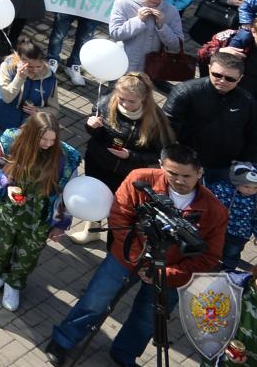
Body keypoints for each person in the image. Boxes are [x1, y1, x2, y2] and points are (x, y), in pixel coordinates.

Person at [43, 146, 228, 365]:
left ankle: (124, 354)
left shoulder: (215, 211)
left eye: (186, 175)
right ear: (161, 166)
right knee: (95, 300)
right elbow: (119, 218)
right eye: (172, 173)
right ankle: (63, 340)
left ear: (200, 172)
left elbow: (208, 258)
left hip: (168, 273)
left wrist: (165, 274)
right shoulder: (140, 179)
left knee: (146, 319)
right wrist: (136, 258)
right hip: (125, 258)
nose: (179, 180)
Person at [0, 110, 81, 311]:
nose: (48, 144)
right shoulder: (11, 140)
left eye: (53, 139)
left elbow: (68, 193)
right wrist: (7, 185)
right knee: (3, 244)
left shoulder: (66, 158)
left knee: (28, 253)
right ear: (32, 133)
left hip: (40, 216)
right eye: (43, 138)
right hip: (9, 210)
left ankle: (13, 284)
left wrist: (60, 224)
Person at [72, 71, 171, 243]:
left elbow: (160, 154)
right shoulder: (105, 103)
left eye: (131, 101)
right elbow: (96, 134)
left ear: (144, 99)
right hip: (98, 163)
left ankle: (116, 241)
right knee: (95, 197)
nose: (124, 104)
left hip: (126, 173)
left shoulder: (155, 120)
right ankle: (92, 229)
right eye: (121, 98)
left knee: (119, 207)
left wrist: (131, 155)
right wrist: (91, 126)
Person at [164, 51, 257, 180]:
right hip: (189, 165)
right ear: (209, 68)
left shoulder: (247, 100)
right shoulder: (185, 92)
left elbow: (253, 135)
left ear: (240, 78)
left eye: (230, 78)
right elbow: (166, 130)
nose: (222, 81)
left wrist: (245, 165)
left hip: (227, 166)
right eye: (217, 75)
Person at [106, 0, 185, 70]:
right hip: (123, 64)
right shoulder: (122, 4)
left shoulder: (171, 11)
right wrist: (138, 20)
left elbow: (176, 45)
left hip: (152, 69)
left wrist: (162, 27)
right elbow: (116, 34)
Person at [208, 160, 257, 269]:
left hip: (240, 235)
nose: (251, 191)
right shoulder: (223, 189)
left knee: (232, 254)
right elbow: (208, 198)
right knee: (213, 248)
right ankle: (210, 263)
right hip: (219, 230)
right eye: (247, 186)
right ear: (236, 182)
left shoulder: (255, 199)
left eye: (255, 188)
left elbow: (255, 218)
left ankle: (228, 271)